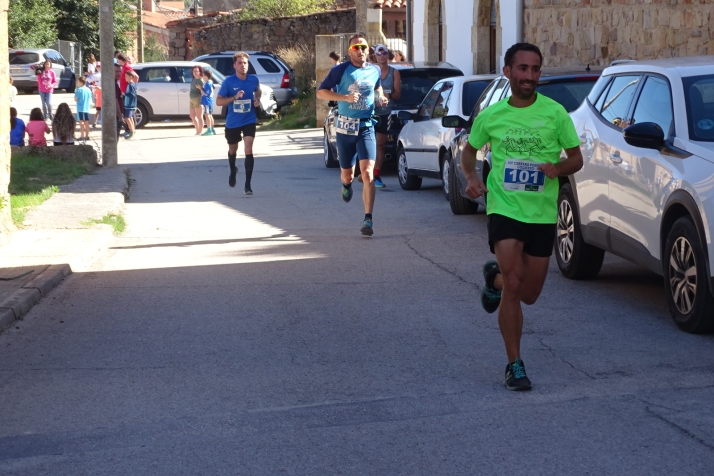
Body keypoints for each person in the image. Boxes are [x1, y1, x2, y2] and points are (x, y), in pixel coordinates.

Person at [461, 43, 583, 391]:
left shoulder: (556, 113)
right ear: (508, 72)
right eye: (523, 69)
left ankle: (493, 280)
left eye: (535, 69)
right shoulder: (492, 116)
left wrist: (556, 167)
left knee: (529, 293)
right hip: (504, 208)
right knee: (515, 287)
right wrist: (471, 178)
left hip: (542, 213)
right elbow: (468, 154)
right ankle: (514, 364)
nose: (529, 76)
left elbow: (576, 159)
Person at [316, 33, 389, 236]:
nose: (361, 51)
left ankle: (368, 219)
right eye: (356, 48)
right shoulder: (340, 70)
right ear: (350, 52)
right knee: (347, 174)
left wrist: (380, 98)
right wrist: (344, 97)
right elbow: (321, 92)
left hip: (366, 127)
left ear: (368, 49)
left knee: (367, 174)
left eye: (363, 47)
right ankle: (345, 184)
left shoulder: (374, 70)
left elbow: (377, 88)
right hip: (345, 128)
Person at [215, 51, 262, 194]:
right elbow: (218, 101)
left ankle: (248, 185)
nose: (243, 66)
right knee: (232, 149)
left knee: (248, 149)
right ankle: (232, 169)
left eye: (245, 63)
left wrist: (257, 99)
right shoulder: (228, 82)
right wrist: (234, 97)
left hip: (249, 119)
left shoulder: (253, 80)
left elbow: (258, 91)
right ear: (234, 65)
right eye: (240, 63)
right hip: (233, 121)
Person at [372, 44, 401, 188]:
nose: (382, 56)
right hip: (369, 113)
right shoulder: (370, 71)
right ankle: (365, 172)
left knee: (380, 145)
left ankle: (376, 175)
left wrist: (385, 95)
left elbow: (397, 94)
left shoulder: (394, 72)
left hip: (385, 113)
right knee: (365, 143)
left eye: (385, 53)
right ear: (375, 56)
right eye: (380, 53)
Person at [74, 76, 92, 141]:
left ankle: (82, 136)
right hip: (87, 108)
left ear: (81, 82)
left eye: (78, 82)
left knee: (81, 122)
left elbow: (75, 99)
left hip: (80, 108)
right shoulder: (88, 90)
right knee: (87, 122)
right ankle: (87, 135)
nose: (77, 83)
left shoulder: (78, 90)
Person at [189, 65, 205, 135]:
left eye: (196, 71)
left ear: (200, 72)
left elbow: (204, 92)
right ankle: (197, 130)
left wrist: (200, 88)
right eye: (194, 71)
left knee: (199, 116)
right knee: (192, 116)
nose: (195, 72)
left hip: (198, 99)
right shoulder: (193, 79)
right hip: (191, 99)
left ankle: (200, 131)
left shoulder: (201, 80)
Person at [123, 70, 138, 139]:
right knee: (130, 117)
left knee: (127, 118)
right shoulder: (131, 84)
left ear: (130, 77)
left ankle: (131, 132)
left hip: (130, 104)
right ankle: (133, 130)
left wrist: (124, 94)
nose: (125, 77)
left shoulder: (131, 85)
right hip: (129, 104)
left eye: (126, 76)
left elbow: (132, 94)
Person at [200, 69, 215, 136]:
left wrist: (200, 89)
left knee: (207, 115)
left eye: (203, 75)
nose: (202, 76)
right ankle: (212, 129)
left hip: (207, 101)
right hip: (210, 101)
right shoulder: (211, 82)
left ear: (206, 76)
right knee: (210, 115)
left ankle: (209, 130)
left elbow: (206, 94)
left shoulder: (207, 83)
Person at [114, 61, 126, 140]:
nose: (119, 73)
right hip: (114, 117)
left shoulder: (115, 83)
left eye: (120, 71)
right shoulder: (113, 84)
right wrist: (120, 117)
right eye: (116, 71)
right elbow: (115, 101)